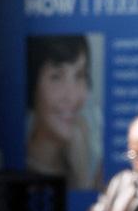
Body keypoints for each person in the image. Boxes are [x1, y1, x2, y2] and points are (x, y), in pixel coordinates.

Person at [26, 34, 102, 190]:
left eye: (79, 75)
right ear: (32, 86)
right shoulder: (21, 170)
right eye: (56, 77)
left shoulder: (88, 152)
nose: (72, 97)